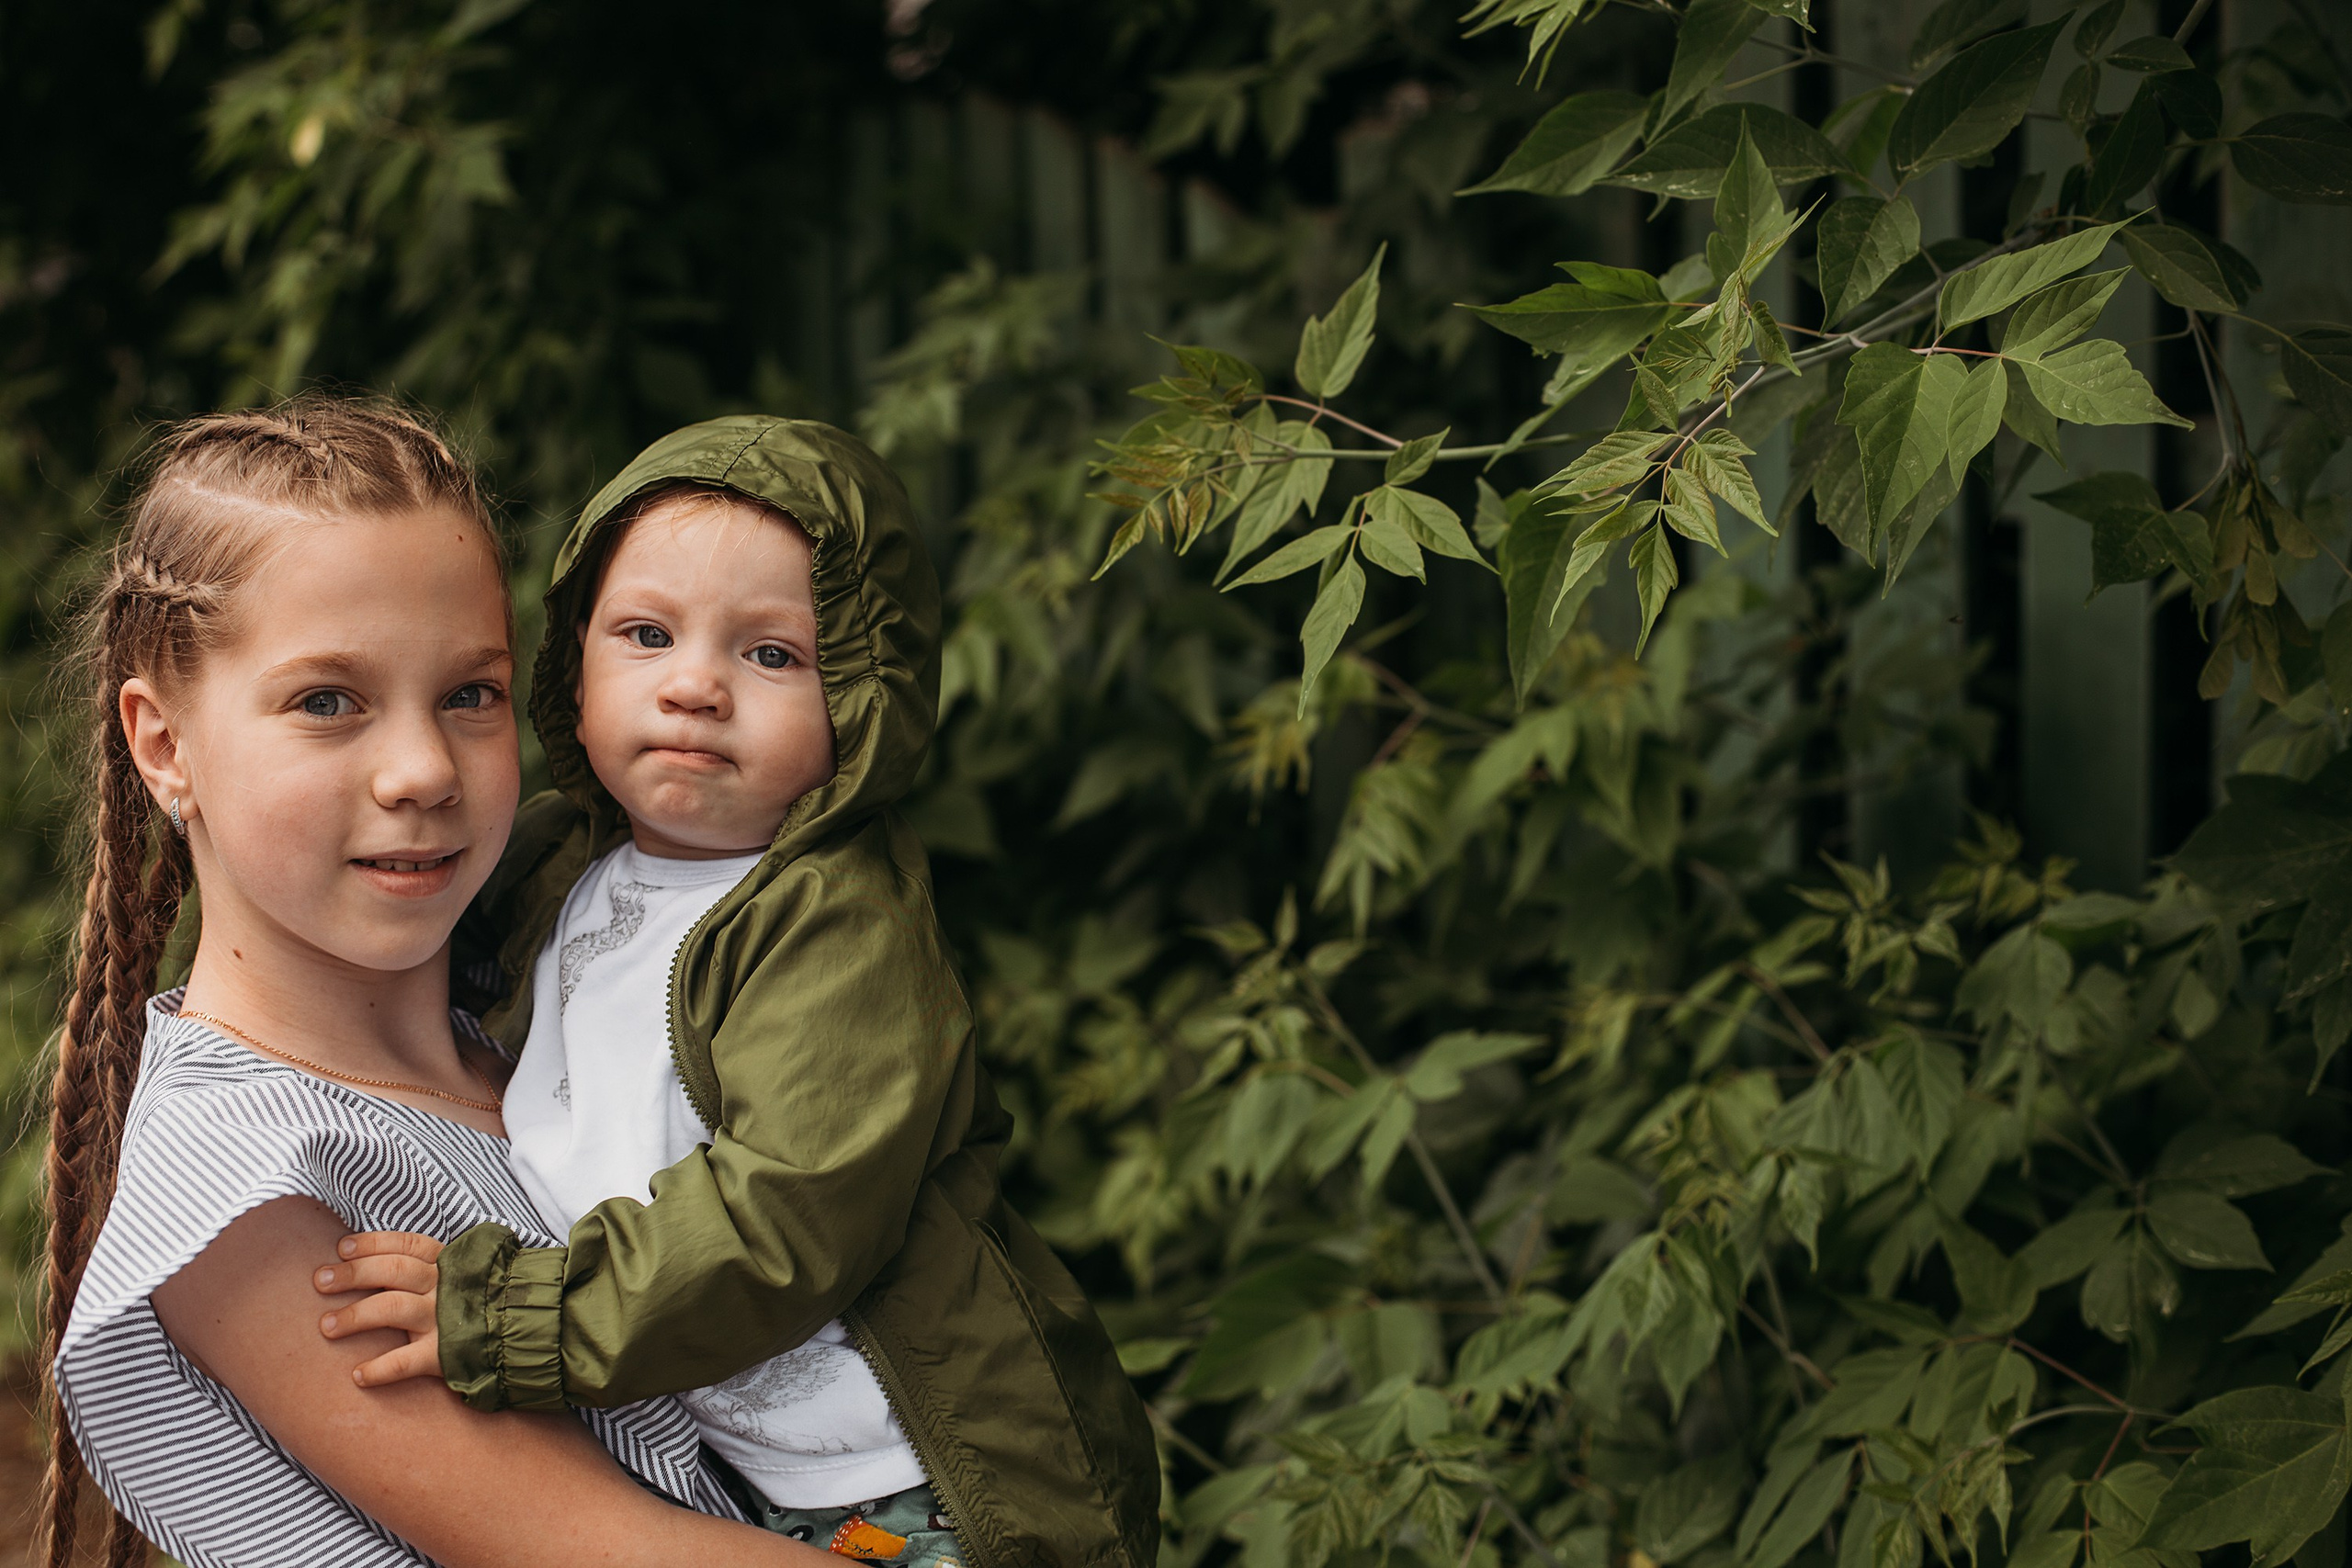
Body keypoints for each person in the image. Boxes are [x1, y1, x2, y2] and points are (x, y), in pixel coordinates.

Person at [314, 416, 1160, 1568]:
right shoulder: (555, 864)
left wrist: (524, 1316)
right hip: (732, 1470)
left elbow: (787, 1211)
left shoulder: (833, 927)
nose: (696, 687)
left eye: (772, 655)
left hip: (919, 1484)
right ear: (575, 659)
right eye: (647, 635)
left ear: (862, 697)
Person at [43, 398, 838, 1568]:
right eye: (328, 702)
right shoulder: (243, 1189)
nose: (421, 770)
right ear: (164, 746)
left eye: (468, 694)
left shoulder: (552, 1015)